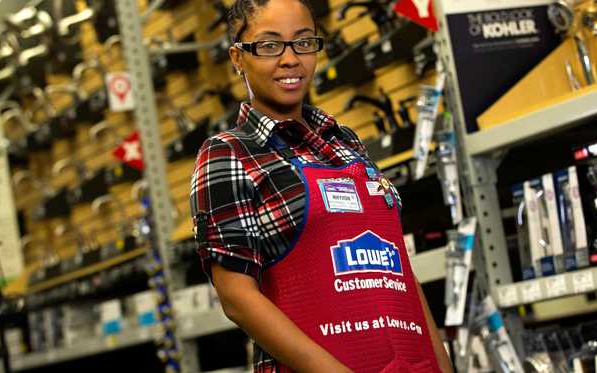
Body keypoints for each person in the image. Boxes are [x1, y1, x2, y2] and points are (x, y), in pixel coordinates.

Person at [190, 0, 454, 371]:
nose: (290, 59)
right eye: (269, 45)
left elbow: (398, 271)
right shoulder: (229, 154)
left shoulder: (347, 144)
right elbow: (237, 298)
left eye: (303, 42)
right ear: (238, 57)